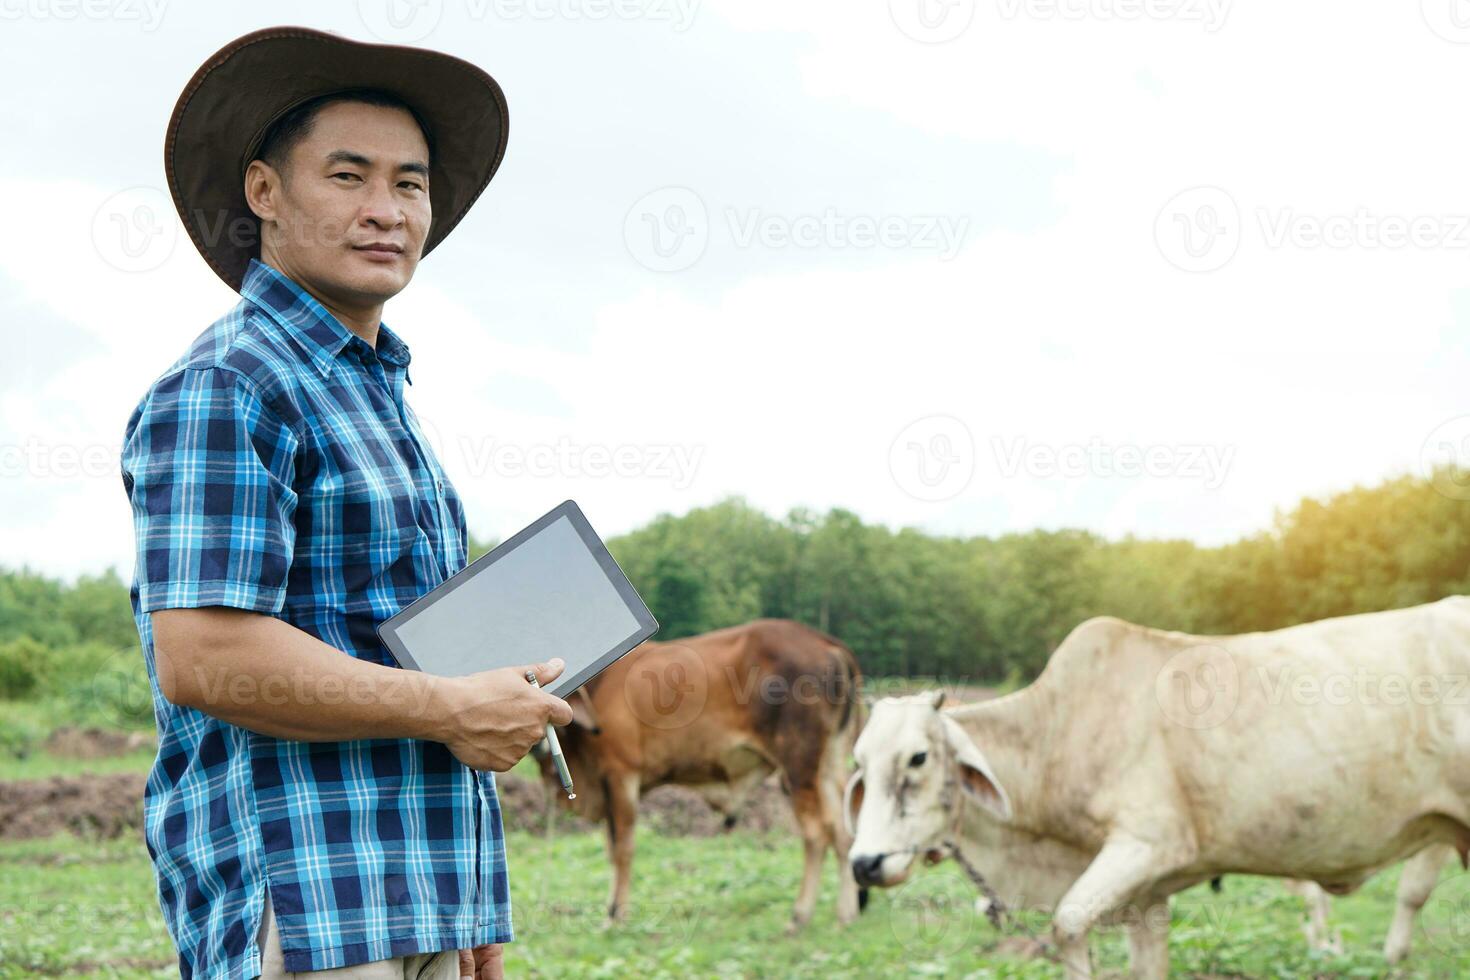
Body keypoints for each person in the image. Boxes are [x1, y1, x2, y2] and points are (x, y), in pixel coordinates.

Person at [119, 26, 571, 979]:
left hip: (416, 893)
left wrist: (469, 899)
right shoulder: (229, 385)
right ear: (264, 193)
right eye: (348, 176)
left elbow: (410, 658)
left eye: (409, 184)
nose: (386, 210)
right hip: (307, 903)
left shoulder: (376, 389)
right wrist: (453, 705)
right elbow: (206, 656)